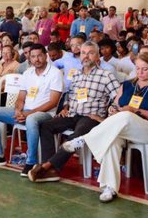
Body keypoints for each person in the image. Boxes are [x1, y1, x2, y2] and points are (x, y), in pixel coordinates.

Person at [60, 51, 148, 202]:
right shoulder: (127, 85)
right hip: (122, 128)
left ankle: (84, 139)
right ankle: (109, 188)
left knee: (127, 115)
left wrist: (135, 110)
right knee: (113, 140)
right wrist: (113, 109)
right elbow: (115, 104)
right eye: (137, 68)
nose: (140, 72)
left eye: (145, 69)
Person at [29, 41, 121, 182]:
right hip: (72, 114)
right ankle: (52, 169)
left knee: (76, 136)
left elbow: (118, 98)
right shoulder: (76, 75)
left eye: (90, 53)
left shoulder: (106, 75)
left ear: (97, 56)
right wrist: (66, 107)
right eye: (83, 53)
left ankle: (46, 166)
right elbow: (70, 95)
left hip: (90, 117)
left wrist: (107, 115)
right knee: (46, 126)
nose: (86, 56)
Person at [0, 43, 63, 174]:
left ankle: (30, 162)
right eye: (33, 57)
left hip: (45, 113)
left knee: (31, 119)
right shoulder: (27, 73)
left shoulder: (55, 73)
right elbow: (21, 97)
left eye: (39, 56)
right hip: (25, 112)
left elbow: (53, 102)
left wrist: (28, 113)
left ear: (46, 56)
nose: (36, 59)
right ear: (29, 58)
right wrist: (18, 110)